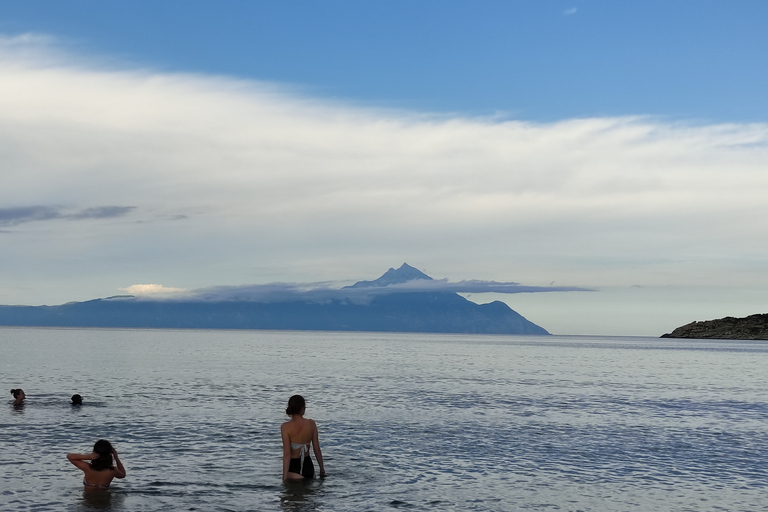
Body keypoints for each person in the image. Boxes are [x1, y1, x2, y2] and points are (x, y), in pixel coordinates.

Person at [281, 395, 326, 480]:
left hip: (294, 468)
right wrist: (322, 470)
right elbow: (317, 449)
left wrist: (284, 477)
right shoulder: (311, 423)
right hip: (308, 467)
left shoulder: (285, 427)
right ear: (303, 408)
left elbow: (287, 454)